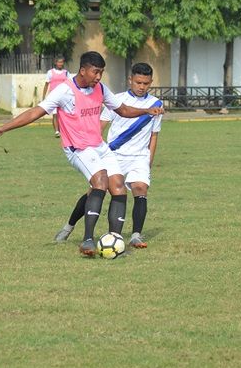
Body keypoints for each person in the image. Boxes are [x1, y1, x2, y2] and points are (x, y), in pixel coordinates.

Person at [0, 51, 164, 256]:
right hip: (77, 147)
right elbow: (36, 112)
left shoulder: (100, 88)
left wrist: (146, 111)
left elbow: (123, 110)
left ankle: (115, 241)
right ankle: (88, 240)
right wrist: (4, 127)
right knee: (100, 181)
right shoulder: (64, 91)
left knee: (117, 185)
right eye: (95, 72)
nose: (99, 77)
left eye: (101, 72)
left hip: (98, 145)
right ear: (83, 70)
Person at [54, 62, 163, 249]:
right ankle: (69, 226)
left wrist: (148, 161)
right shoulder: (117, 100)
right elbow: (98, 128)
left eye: (146, 83)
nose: (141, 86)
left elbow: (154, 136)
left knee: (140, 188)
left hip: (139, 157)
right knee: (95, 191)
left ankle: (135, 235)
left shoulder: (156, 105)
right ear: (130, 80)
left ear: (151, 82)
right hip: (114, 153)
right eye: (138, 82)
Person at [42, 56, 70, 138]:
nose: (60, 64)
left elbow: (69, 84)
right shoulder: (50, 72)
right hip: (53, 96)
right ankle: (57, 131)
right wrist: (43, 97)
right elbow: (46, 84)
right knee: (55, 114)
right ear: (55, 63)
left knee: (64, 114)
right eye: (59, 62)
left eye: (62, 62)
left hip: (64, 96)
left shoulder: (66, 73)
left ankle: (64, 130)